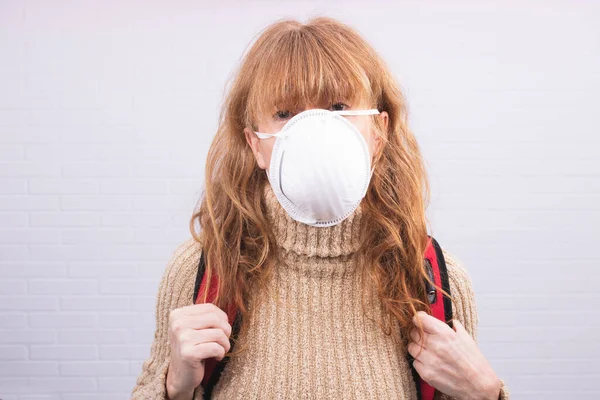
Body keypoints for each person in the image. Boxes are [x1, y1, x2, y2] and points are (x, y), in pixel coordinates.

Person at [131, 16, 510, 400]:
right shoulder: (203, 273)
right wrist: (173, 387)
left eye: (337, 106)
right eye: (285, 113)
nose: (314, 132)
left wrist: (486, 393)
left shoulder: (431, 283)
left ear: (378, 134)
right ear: (255, 145)